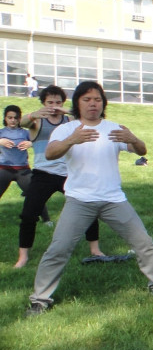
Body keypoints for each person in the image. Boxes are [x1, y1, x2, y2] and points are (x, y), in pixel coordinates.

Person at [26, 81, 153, 317]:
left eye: (96, 99)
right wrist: (71, 140)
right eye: (86, 99)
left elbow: (142, 150)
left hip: (113, 199)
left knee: (143, 242)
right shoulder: (67, 129)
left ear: (103, 102)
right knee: (59, 249)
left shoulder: (113, 128)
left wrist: (133, 139)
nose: (92, 103)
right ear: (78, 104)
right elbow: (50, 152)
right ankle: (40, 300)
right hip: (79, 199)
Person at [15, 85, 104, 268]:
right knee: (29, 214)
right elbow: (22, 122)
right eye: (50, 102)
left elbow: (88, 119)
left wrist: (66, 110)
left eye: (57, 102)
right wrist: (35, 114)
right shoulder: (37, 121)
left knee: (89, 207)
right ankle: (23, 256)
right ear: (43, 103)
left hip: (70, 173)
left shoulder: (70, 120)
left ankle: (95, 249)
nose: (54, 106)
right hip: (43, 174)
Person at [0, 105, 35, 205]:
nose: (13, 120)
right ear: (5, 118)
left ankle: (46, 220)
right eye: (10, 117)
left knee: (34, 195)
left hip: (22, 169)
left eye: (15, 118)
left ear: (20, 119)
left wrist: (30, 143)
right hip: (4, 168)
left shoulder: (25, 133)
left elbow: (40, 143)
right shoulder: (1, 132)